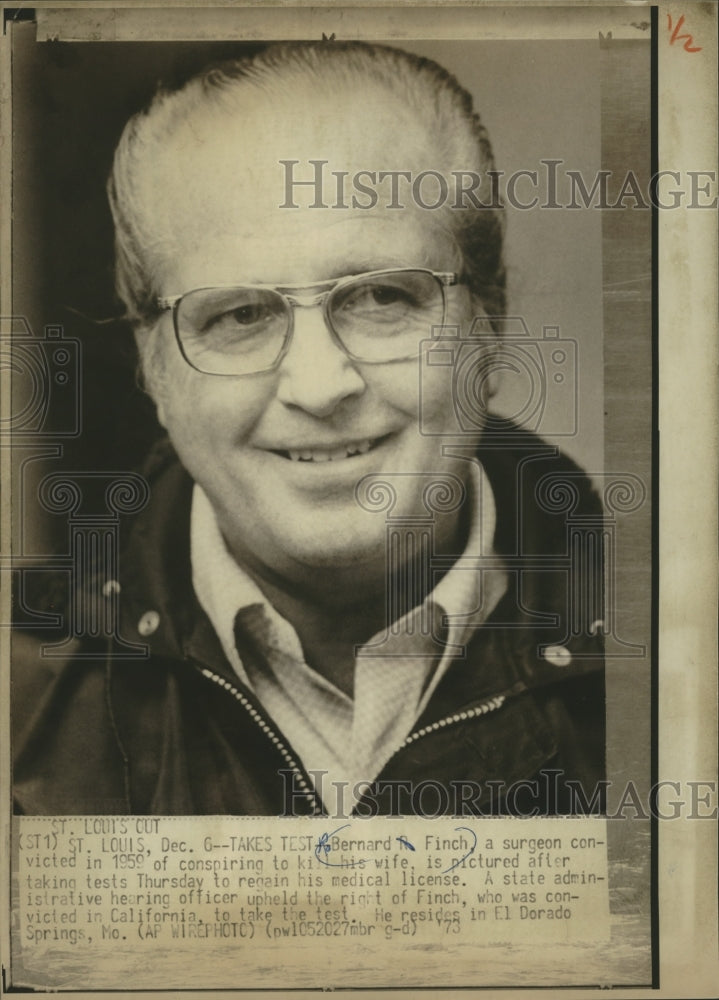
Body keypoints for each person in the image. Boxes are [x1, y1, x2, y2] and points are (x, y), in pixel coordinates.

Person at [12, 40, 605, 817]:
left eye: (381, 299)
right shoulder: (23, 698)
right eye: (240, 315)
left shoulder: (678, 665)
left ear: (487, 323)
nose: (321, 387)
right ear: (153, 367)